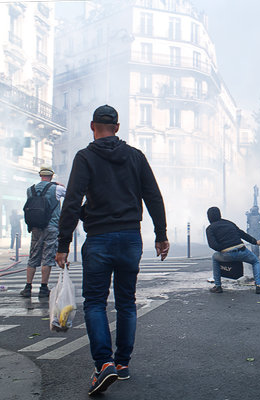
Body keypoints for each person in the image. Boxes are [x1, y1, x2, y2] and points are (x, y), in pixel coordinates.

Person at [55, 105, 170, 395]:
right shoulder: (135, 156)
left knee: (95, 302)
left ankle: (103, 364)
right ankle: (122, 364)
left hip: (99, 240)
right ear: (117, 128)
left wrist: (63, 244)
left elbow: (71, 202)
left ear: (92, 126)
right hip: (131, 238)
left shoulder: (85, 157)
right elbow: (153, 196)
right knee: (126, 301)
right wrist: (161, 234)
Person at [20, 165, 66, 298]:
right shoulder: (57, 188)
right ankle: (43, 288)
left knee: (33, 256)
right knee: (47, 257)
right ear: (51, 176)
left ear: (41, 176)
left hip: (35, 227)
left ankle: (28, 287)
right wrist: (59, 185)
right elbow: (71, 196)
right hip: (51, 227)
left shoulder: (30, 190)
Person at [206, 206, 260, 294]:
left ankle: (218, 286)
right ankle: (259, 286)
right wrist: (255, 242)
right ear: (219, 214)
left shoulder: (210, 228)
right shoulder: (229, 223)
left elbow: (213, 245)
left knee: (215, 257)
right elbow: (242, 234)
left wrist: (223, 249)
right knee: (255, 261)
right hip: (242, 251)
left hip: (226, 254)